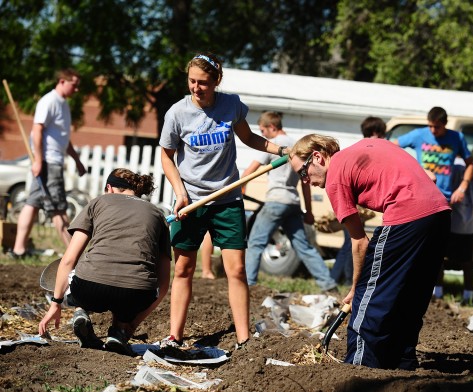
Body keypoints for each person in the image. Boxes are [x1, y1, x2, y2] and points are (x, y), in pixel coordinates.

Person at [159, 53, 290, 349]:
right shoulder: (177, 113)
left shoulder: (231, 104)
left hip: (227, 199)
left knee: (238, 270)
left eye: (203, 82)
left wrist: (281, 150)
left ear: (217, 81)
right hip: (190, 200)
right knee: (183, 269)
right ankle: (174, 336)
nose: (196, 87)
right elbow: (166, 156)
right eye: (192, 81)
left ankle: (244, 339)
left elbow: (250, 138)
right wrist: (180, 192)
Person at [289, 134, 451, 370]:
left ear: (317, 157)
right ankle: (402, 363)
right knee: (411, 295)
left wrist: (357, 289)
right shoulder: (372, 144)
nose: (305, 181)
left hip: (407, 216)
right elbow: (431, 176)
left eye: (303, 173)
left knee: (369, 297)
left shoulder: (336, 178)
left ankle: (358, 368)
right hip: (440, 214)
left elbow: (359, 242)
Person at [38, 168, 172, 356]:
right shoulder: (157, 214)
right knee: (130, 282)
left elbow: (69, 259)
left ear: (109, 188)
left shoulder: (98, 202)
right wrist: (132, 325)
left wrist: (56, 303)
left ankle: (80, 309)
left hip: (89, 289)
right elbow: (164, 285)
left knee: (84, 266)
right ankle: (120, 330)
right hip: (136, 294)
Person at [244, 111, 336, 291]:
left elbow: (250, 171)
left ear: (272, 127)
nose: (262, 135)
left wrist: (238, 190)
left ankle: (248, 286)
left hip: (275, 201)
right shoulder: (297, 146)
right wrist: (308, 211)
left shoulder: (274, 145)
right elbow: (306, 183)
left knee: (255, 243)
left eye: (263, 131)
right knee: (304, 247)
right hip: (293, 203)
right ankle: (329, 285)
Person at [10, 69, 87, 258]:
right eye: (74, 84)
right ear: (62, 81)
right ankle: (73, 254)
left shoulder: (64, 105)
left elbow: (63, 137)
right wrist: (38, 160)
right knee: (58, 207)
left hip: (52, 161)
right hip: (48, 162)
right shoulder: (49, 101)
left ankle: (19, 249)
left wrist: (76, 160)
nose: (76, 89)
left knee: (32, 203)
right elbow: (37, 130)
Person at [330, 116, 387, 286]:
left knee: (348, 242)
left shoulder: (356, 148)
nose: (384, 138)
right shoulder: (371, 149)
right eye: (382, 134)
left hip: (350, 202)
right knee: (354, 243)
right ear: (376, 133)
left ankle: (335, 277)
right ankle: (348, 279)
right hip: (355, 205)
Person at [435, 159, 473, 305]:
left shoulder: (445, 163)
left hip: (446, 221)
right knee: (467, 263)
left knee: (438, 259)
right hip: (466, 225)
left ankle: (437, 294)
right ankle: (468, 297)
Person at [394, 106, 473, 205]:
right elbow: (392, 147)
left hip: (444, 199)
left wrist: (462, 188)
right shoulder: (418, 135)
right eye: (430, 126)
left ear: (445, 123)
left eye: (437, 127)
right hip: (419, 196)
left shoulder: (457, 138)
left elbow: (470, 164)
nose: (433, 130)